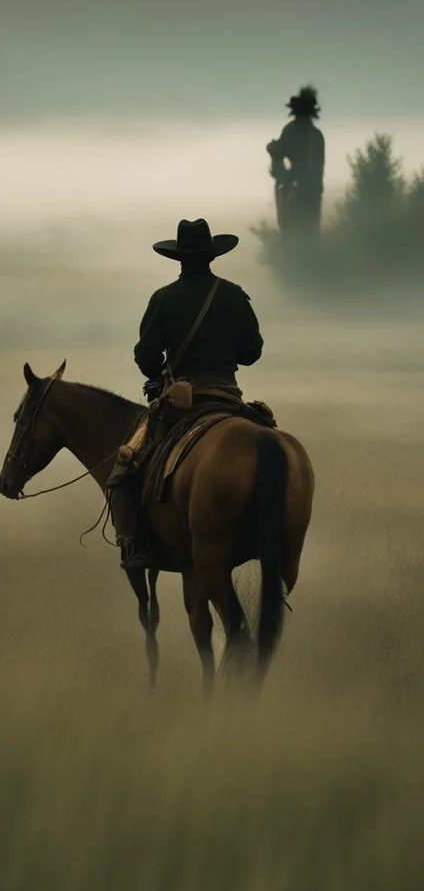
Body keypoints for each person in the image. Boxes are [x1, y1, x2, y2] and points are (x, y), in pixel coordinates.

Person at [107, 218, 264, 569]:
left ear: (178, 258)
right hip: (228, 399)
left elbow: (145, 356)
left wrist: (159, 373)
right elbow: (252, 352)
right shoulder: (235, 295)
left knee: (125, 465)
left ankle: (132, 545)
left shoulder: (163, 299)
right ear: (211, 256)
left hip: (180, 404)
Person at [267, 85, 325, 235]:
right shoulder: (316, 135)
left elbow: (278, 154)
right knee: (309, 233)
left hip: (295, 193)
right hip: (311, 193)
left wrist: (273, 151)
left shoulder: (293, 130)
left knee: (291, 234)